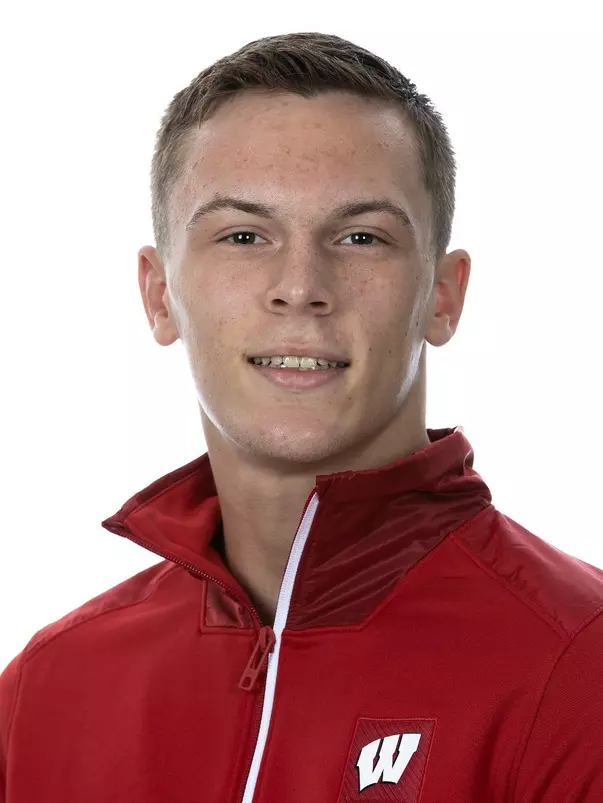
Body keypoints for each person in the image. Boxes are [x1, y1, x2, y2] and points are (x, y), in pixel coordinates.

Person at [1, 30, 602, 803]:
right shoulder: (46, 692)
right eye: (244, 235)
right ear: (158, 294)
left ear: (443, 295)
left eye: (359, 237)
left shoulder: (578, 666)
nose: (299, 286)